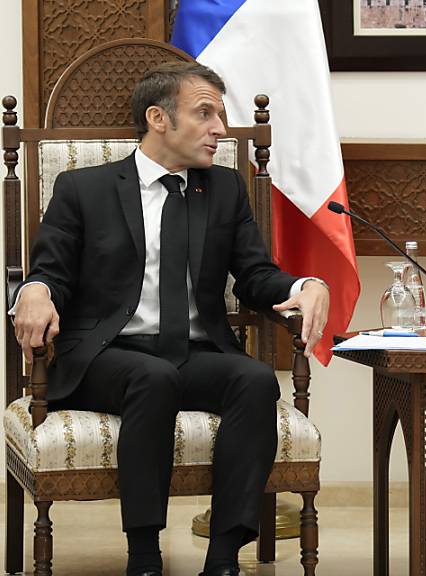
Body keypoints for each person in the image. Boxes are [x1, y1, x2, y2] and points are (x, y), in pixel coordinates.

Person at [10, 62, 330, 576]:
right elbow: (51, 270)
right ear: (158, 118)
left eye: (221, 115)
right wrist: (35, 289)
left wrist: (304, 285)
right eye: (205, 113)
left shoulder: (223, 189)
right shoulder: (83, 188)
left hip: (193, 354)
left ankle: (223, 558)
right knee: (151, 377)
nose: (220, 129)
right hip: (105, 357)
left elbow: (254, 274)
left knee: (253, 379)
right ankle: (144, 557)